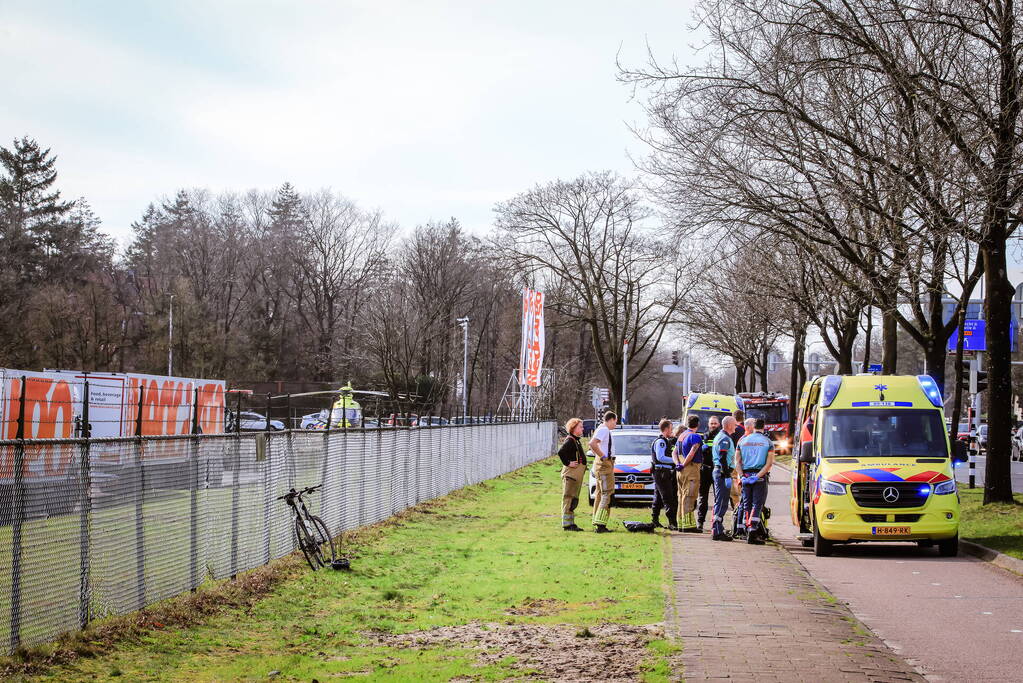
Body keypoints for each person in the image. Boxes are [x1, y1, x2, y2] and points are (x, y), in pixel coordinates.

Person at [736, 418, 775, 544]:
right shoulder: (768, 442)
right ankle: (753, 531)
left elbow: (737, 462)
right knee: (757, 504)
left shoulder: (743, 441)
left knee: (746, 504)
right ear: (764, 427)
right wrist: (757, 476)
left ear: (753, 427)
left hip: (746, 475)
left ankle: (746, 528)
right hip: (760, 476)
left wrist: (742, 476)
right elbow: (769, 464)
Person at [711, 416, 738, 541]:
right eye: (735, 424)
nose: (736, 426)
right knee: (722, 502)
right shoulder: (725, 438)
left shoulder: (721, 436)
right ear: (729, 425)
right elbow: (722, 457)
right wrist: (727, 475)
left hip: (720, 472)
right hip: (722, 473)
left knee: (720, 501)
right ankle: (717, 530)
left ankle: (718, 528)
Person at [557, 417, 587, 531]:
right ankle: (567, 525)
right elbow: (561, 452)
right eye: (580, 427)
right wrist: (568, 463)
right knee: (568, 499)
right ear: (574, 428)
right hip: (571, 476)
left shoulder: (576, 440)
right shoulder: (570, 440)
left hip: (575, 476)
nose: (583, 429)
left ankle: (571, 523)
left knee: (573, 500)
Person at [675, 414, 704, 532]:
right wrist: (684, 464)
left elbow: (674, 453)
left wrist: (678, 464)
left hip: (680, 471)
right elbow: (692, 453)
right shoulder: (695, 437)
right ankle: (688, 526)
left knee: (681, 496)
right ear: (698, 424)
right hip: (691, 468)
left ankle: (680, 523)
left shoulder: (682, 435)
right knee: (689, 496)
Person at [590, 411, 618, 533]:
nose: (615, 424)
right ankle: (601, 524)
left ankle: (596, 519)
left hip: (602, 464)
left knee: (600, 493)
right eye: (615, 422)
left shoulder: (601, 429)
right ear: (611, 419)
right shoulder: (604, 430)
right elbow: (592, 444)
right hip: (605, 465)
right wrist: (603, 456)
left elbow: (593, 445)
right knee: (607, 493)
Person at [650, 418, 678, 530]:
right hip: (662, 472)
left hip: (661, 472)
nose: (672, 430)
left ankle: (655, 520)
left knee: (658, 498)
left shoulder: (665, 440)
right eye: (671, 428)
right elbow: (660, 457)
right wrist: (676, 460)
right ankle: (672, 522)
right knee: (668, 497)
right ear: (666, 429)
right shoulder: (661, 442)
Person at [696, 415, 721, 533]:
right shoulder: (704, 436)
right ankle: (700, 522)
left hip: (717, 470)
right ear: (708, 424)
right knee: (702, 497)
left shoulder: (721, 436)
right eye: (711, 423)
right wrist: (701, 449)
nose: (713, 425)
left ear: (719, 424)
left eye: (715, 423)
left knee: (718, 498)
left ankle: (716, 523)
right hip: (705, 470)